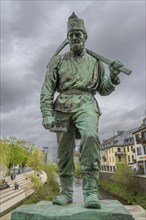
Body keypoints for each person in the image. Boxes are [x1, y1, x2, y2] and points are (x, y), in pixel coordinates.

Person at [40, 13, 124, 208]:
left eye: (78, 34)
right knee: (64, 150)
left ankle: (90, 193)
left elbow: (103, 90)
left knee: (91, 136)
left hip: (87, 102)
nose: (75, 38)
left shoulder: (96, 62)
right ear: (67, 39)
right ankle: (67, 192)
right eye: (71, 35)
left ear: (85, 37)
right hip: (62, 106)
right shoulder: (57, 61)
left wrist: (113, 76)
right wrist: (46, 113)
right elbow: (47, 89)